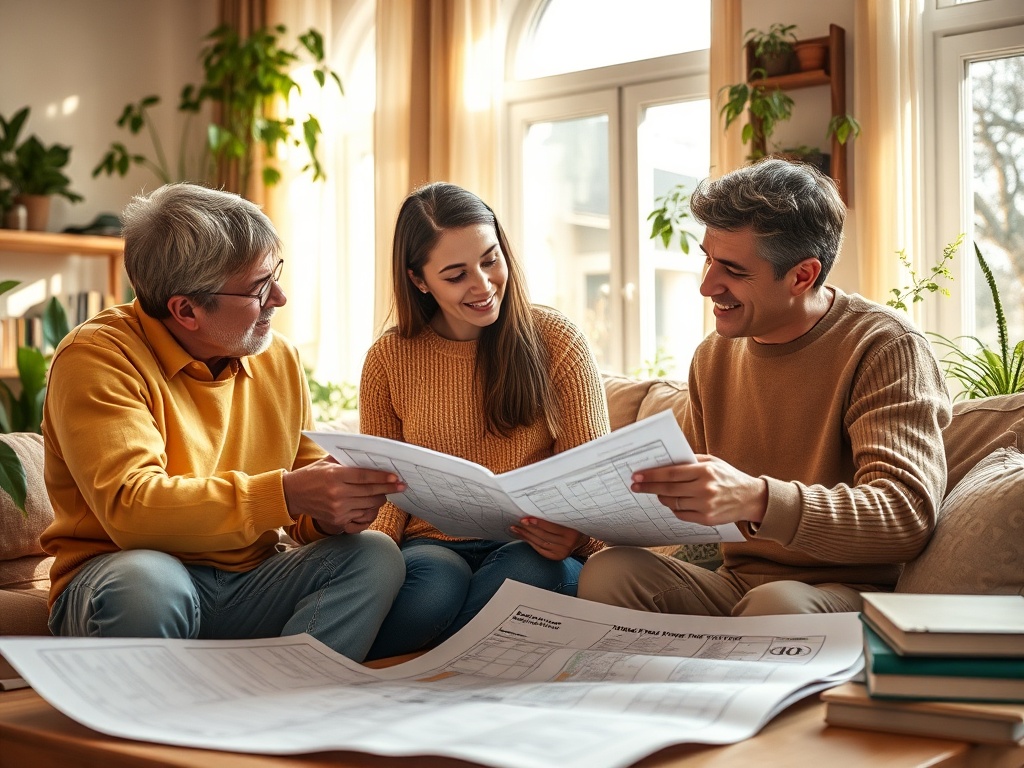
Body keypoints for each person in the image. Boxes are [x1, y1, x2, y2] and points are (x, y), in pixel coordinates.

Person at [40, 183, 406, 662]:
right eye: (258, 287)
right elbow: (132, 509)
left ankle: (285, 705)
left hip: (248, 582)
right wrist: (288, 493)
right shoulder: (96, 358)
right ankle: (157, 724)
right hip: (122, 578)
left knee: (373, 555)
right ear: (185, 309)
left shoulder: (278, 357)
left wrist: (330, 511)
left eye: (276, 273)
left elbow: (301, 500)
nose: (280, 297)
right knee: (149, 582)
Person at [577, 158, 952, 617]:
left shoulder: (883, 346)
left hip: (845, 590)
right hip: (735, 585)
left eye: (733, 270)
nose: (707, 285)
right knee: (608, 573)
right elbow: (685, 504)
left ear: (802, 276)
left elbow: (904, 514)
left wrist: (757, 498)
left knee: (775, 604)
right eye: (708, 259)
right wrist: (577, 521)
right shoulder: (713, 356)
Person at [362, 182, 610, 660]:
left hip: (535, 548)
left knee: (532, 575)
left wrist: (580, 538)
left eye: (490, 259)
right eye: (456, 275)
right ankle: (461, 659)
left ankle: (423, 664)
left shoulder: (555, 340)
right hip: (433, 546)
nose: (483, 284)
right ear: (419, 280)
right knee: (433, 587)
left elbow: (594, 481)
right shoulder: (389, 357)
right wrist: (372, 558)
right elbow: (385, 488)